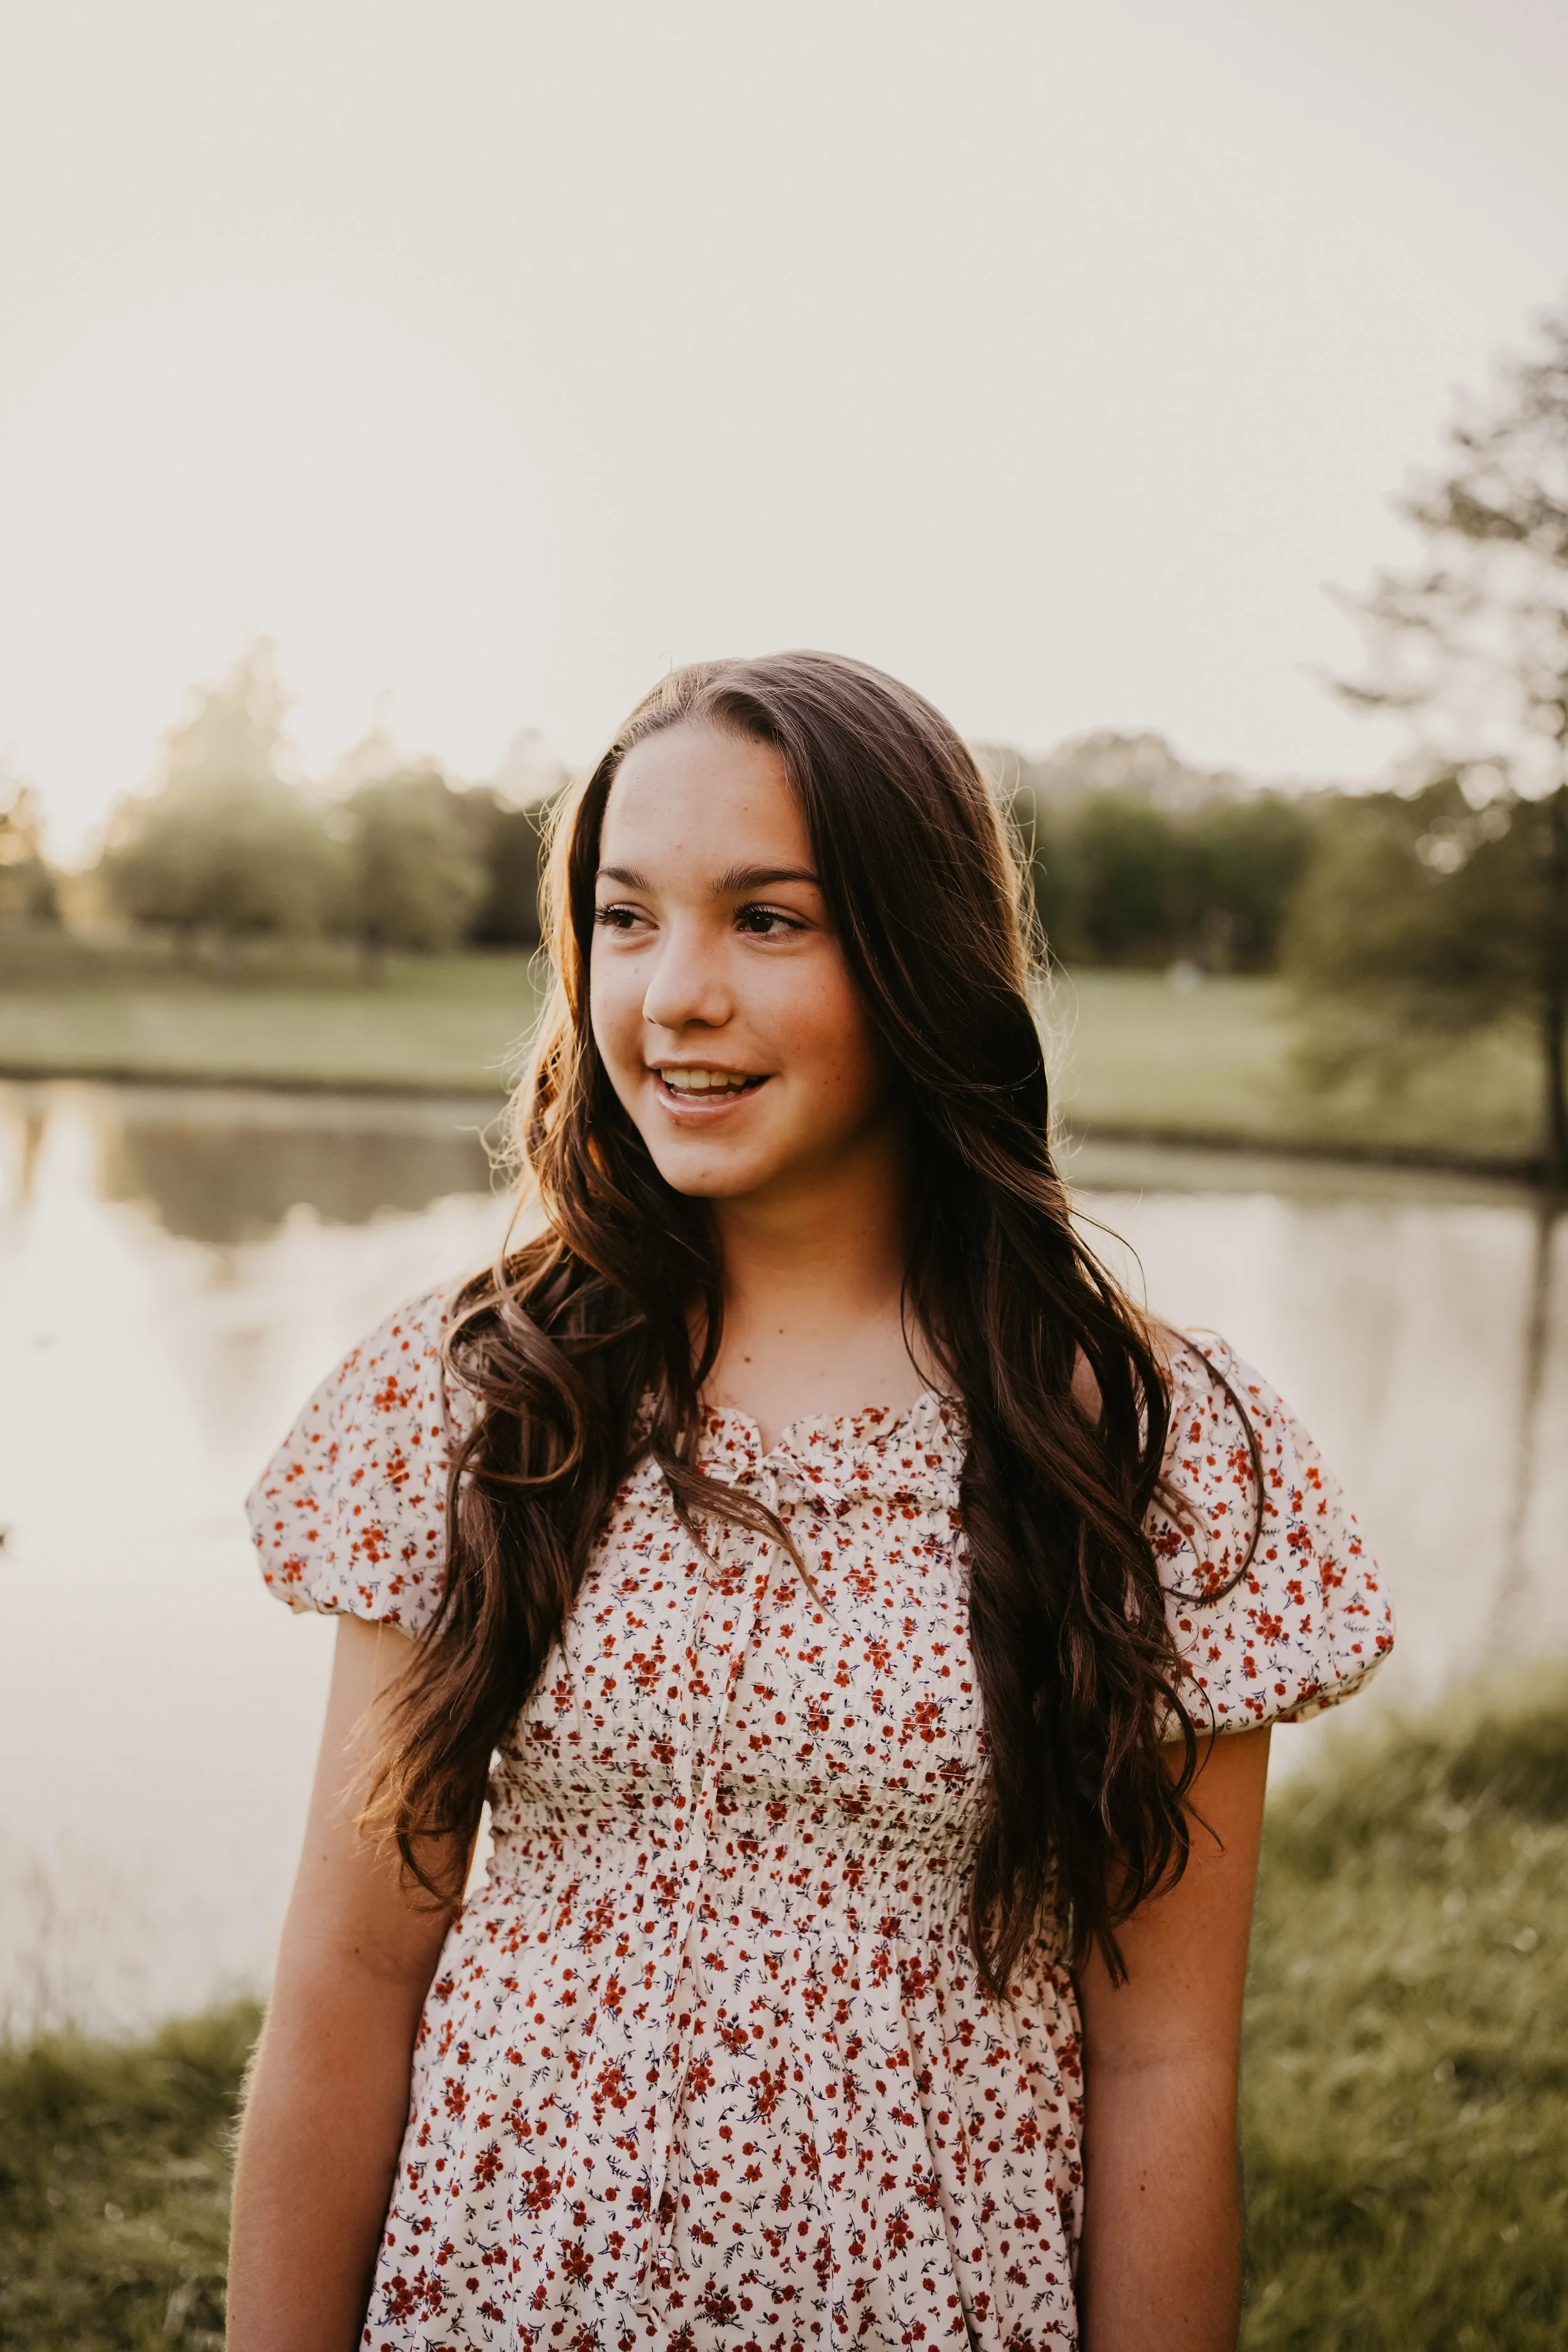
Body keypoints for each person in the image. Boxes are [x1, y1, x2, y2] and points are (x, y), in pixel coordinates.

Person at [227, 652, 1393, 2352]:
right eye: (626, 919)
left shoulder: (1143, 1450)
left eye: (766, 919)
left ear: (923, 959)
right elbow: (347, 1978)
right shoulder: (476, 1398)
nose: (674, 995)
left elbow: (1159, 2064)